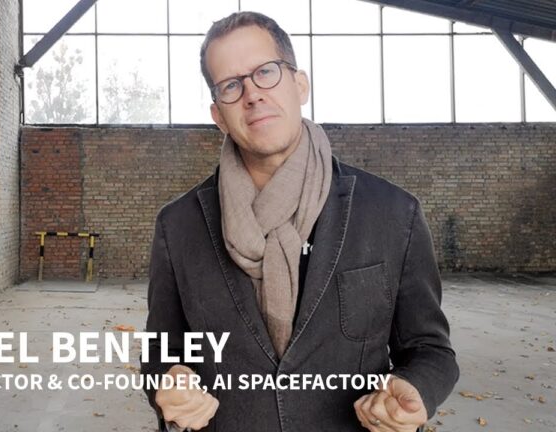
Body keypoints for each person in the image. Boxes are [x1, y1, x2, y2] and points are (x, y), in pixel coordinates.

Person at [140, 11, 459, 432]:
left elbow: (430, 348)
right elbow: (161, 351)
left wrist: (416, 389)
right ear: (218, 115)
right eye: (231, 85)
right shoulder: (179, 225)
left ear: (300, 85)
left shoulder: (393, 213)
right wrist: (167, 381)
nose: (252, 94)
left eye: (265, 72)